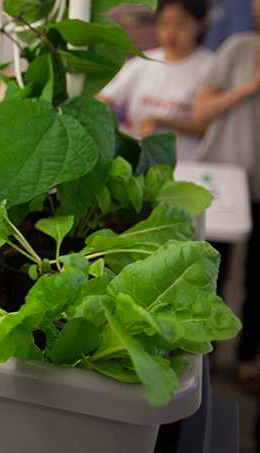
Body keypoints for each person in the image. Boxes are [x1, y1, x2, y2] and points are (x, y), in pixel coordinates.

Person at [190, 0, 260, 448]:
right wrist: (251, 86)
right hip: (230, 177)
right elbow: (202, 109)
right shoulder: (239, 48)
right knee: (212, 266)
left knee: (257, 279)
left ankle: (248, 358)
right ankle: (209, 352)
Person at [98, 0, 212, 163]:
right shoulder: (143, 62)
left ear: (200, 25)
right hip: (139, 161)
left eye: (181, 25)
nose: (170, 33)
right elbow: (105, 99)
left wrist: (163, 120)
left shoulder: (210, 66)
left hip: (187, 163)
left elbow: (206, 125)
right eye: (164, 23)